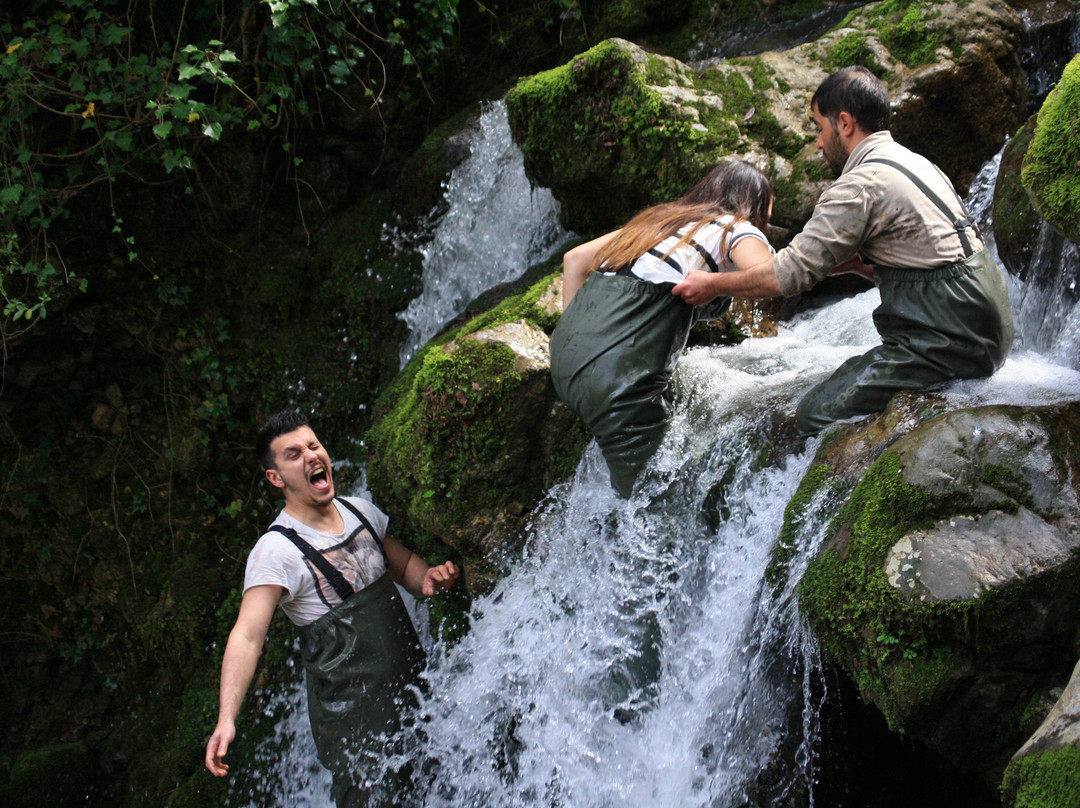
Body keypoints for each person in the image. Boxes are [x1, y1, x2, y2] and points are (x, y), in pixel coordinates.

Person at [671, 65, 1014, 435]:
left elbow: (783, 275)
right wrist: (860, 269)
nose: (819, 143)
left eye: (820, 128)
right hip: (989, 331)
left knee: (813, 413)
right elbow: (935, 257)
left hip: (948, 342)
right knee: (847, 372)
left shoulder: (857, 186)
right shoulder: (915, 163)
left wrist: (713, 284)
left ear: (845, 123)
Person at [204, 408, 460, 808]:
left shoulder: (361, 510)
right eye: (293, 454)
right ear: (275, 478)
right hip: (354, 728)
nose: (310, 456)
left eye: (313, 445)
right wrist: (226, 718)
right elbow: (248, 635)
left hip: (416, 699)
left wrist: (429, 580)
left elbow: (406, 566)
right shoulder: (276, 550)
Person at [549, 160, 775, 497]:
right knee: (653, 500)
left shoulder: (660, 222)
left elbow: (575, 259)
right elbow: (772, 276)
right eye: (767, 217)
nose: (765, 225)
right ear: (753, 208)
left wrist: (582, 341)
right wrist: (716, 284)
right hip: (614, 382)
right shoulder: (734, 228)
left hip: (565, 361)